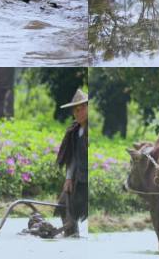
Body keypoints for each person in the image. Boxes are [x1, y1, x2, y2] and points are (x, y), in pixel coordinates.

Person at [55, 89, 88, 237]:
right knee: (63, 203)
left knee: (79, 206)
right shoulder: (74, 131)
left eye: (80, 109)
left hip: (87, 179)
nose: (77, 113)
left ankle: (73, 232)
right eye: (75, 111)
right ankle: (71, 233)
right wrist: (68, 178)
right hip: (77, 176)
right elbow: (72, 158)